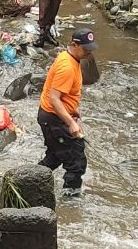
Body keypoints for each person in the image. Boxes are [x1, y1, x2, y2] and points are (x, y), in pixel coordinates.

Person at [37, 28, 97, 196]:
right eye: (85, 49)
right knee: (76, 159)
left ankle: (31, 180)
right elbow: (54, 98)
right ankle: (71, 199)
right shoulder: (67, 67)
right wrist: (71, 123)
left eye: (90, 48)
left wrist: (72, 108)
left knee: (56, 155)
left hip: (50, 117)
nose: (88, 52)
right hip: (53, 119)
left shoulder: (69, 57)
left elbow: (60, 93)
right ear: (74, 45)